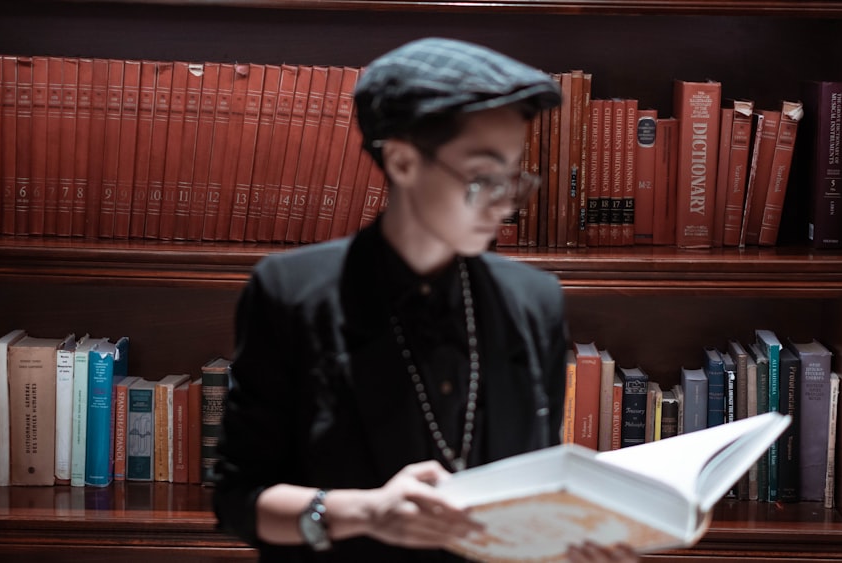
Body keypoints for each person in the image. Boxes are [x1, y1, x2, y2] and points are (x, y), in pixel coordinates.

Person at [213, 37, 638, 563]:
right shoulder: (290, 291)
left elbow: (534, 488)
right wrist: (364, 512)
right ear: (403, 162)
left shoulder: (535, 299)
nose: (506, 204)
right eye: (484, 178)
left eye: (513, 178)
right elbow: (238, 500)